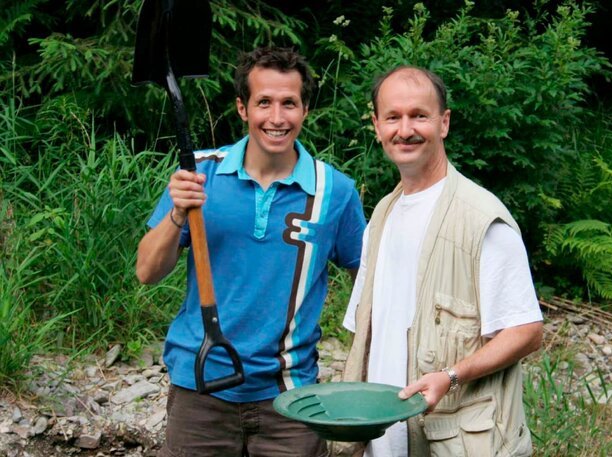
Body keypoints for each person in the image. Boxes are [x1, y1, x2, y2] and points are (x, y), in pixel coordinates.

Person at [136, 46, 366, 457]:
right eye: (264, 102)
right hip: (200, 387)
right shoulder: (199, 174)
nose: (277, 118)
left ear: (306, 109)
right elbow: (147, 271)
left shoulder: (335, 191)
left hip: (291, 398)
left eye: (289, 103)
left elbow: (367, 284)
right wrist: (177, 214)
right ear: (242, 108)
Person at [335, 66, 544, 457]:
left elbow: (526, 331)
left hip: (452, 441)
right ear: (377, 126)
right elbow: (366, 333)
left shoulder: (481, 218)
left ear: (443, 123)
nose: (405, 129)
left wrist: (451, 376)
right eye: (393, 117)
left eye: (419, 115)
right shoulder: (381, 215)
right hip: (382, 440)